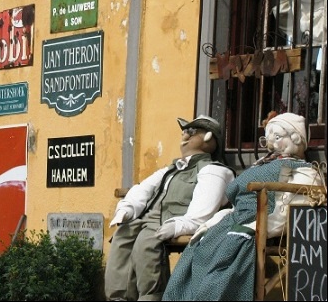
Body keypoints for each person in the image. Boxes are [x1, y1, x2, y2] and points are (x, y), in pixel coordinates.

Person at [162, 112, 321, 301]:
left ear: (296, 139)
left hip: (260, 218)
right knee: (199, 247)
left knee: (228, 253)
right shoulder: (262, 164)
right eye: (269, 139)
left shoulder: (303, 169)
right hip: (236, 217)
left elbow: (296, 205)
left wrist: (263, 224)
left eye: (278, 138)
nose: (273, 144)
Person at [104, 115, 236, 301]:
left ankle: (151, 298)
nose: (185, 136)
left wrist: (179, 225)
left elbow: (203, 208)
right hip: (148, 216)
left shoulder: (213, 170)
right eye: (184, 132)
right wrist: (128, 208)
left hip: (171, 219)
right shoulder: (172, 169)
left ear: (208, 137)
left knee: (146, 244)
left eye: (191, 132)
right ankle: (118, 297)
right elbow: (143, 188)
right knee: (123, 236)